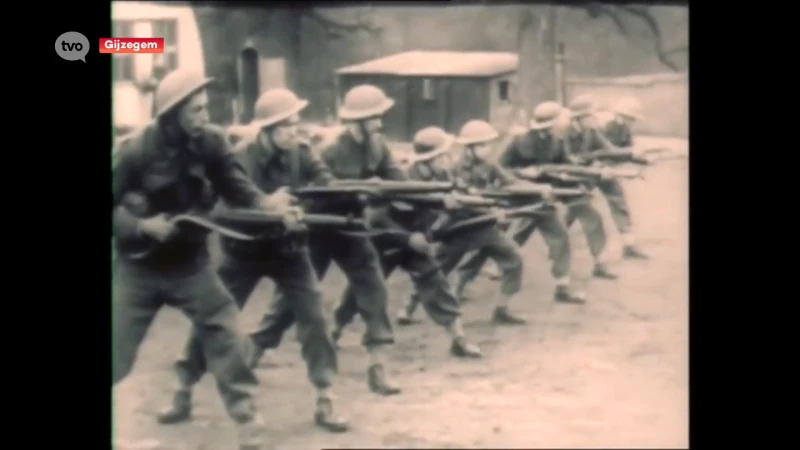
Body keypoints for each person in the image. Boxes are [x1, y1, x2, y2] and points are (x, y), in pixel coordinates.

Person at [112, 69, 295, 449]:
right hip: (139, 268)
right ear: (172, 112)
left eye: (205, 108)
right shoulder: (135, 149)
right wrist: (142, 226)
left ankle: (247, 419)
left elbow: (235, 184)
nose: (204, 116)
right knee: (116, 349)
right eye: (195, 110)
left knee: (225, 330)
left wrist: (267, 204)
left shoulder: (212, 142)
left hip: (190, 264)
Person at [156, 88, 348, 432]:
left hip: (290, 250)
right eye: (288, 125)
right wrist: (269, 208)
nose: (295, 131)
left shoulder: (301, 154)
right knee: (213, 319)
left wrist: (303, 209)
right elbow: (221, 209)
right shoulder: (238, 159)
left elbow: (327, 188)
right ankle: (182, 388)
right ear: (269, 128)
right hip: (244, 252)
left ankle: (326, 395)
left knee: (315, 317)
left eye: (296, 123)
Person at [252, 84, 401, 396]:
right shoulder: (330, 150)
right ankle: (253, 353)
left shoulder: (379, 146)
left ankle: (378, 365)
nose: (379, 123)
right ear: (358, 120)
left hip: (351, 229)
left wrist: (400, 191)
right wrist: (356, 191)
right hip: (320, 231)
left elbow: (397, 179)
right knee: (288, 303)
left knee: (374, 289)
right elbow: (315, 192)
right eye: (374, 117)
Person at [339, 126, 482, 358]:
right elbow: (376, 218)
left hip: (416, 244)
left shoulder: (443, 178)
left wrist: (448, 213)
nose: (449, 159)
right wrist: (407, 238)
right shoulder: (404, 178)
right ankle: (335, 330)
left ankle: (459, 339)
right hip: (387, 244)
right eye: (444, 155)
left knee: (437, 285)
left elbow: (439, 210)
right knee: (361, 291)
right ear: (430, 158)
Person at [454, 101, 590, 304]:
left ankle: (562, 287)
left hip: (542, 199)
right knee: (488, 242)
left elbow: (567, 164)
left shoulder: (558, 142)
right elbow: (499, 169)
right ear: (548, 125)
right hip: (513, 199)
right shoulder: (519, 141)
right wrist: (524, 174)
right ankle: (458, 288)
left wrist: (582, 176)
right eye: (559, 122)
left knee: (560, 237)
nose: (563, 125)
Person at [433, 120, 528, 324]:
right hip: (460, 227)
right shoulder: (455, 170)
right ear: (469, 148)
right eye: (483, 145)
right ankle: (410, 306)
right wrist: (492, 210)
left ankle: (501, 308)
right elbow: (462, 202)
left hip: (486, 226)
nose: (489, 149)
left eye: (489, 144)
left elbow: (511, 182)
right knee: (435, 269)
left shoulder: (490, 165)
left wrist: (538, 188)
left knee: (514, 260)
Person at [566, 94, 647, 260]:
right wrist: (595, 164)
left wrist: (635, 155)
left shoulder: (597, 130)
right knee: (576, 204)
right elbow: (575, 157)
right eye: (630, 118)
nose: (594, 118)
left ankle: (628, 244)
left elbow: (610, 149)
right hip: (586, 172)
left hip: (605, 170)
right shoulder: (575, 132)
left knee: (618, 200)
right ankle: (557, 234)